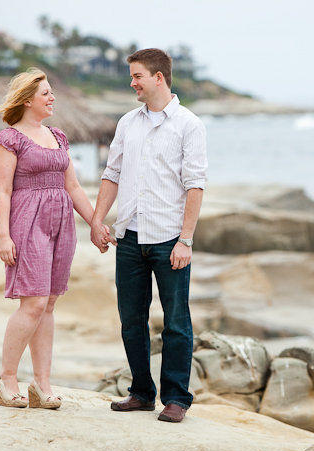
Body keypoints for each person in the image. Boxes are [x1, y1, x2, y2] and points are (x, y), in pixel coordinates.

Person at [90, 48, 207, 423]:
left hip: (169, 239)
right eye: (132, 76)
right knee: (131, 320)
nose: (132, 82)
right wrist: (97, 220)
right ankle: (141, 392)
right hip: (128, 238)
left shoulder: (189, 125)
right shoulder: (127, 122)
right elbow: (112, 174)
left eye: (137, 76)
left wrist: (185, 240)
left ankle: (177, 399)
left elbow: (195, 185)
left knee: (175, 321)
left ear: (159, 77)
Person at [0, 67, 98, 409]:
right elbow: (2, 191)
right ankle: (6, 379)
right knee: (34, 302)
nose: (52, 98)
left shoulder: (58, 137)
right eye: (46, 93)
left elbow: (74, 187)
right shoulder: (9, 139)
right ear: (27, 100)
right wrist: (4, 236)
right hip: (27, 221)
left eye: (52, 92)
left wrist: (95, 222)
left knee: (49, 303)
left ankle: (41, 384)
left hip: (61, 222)